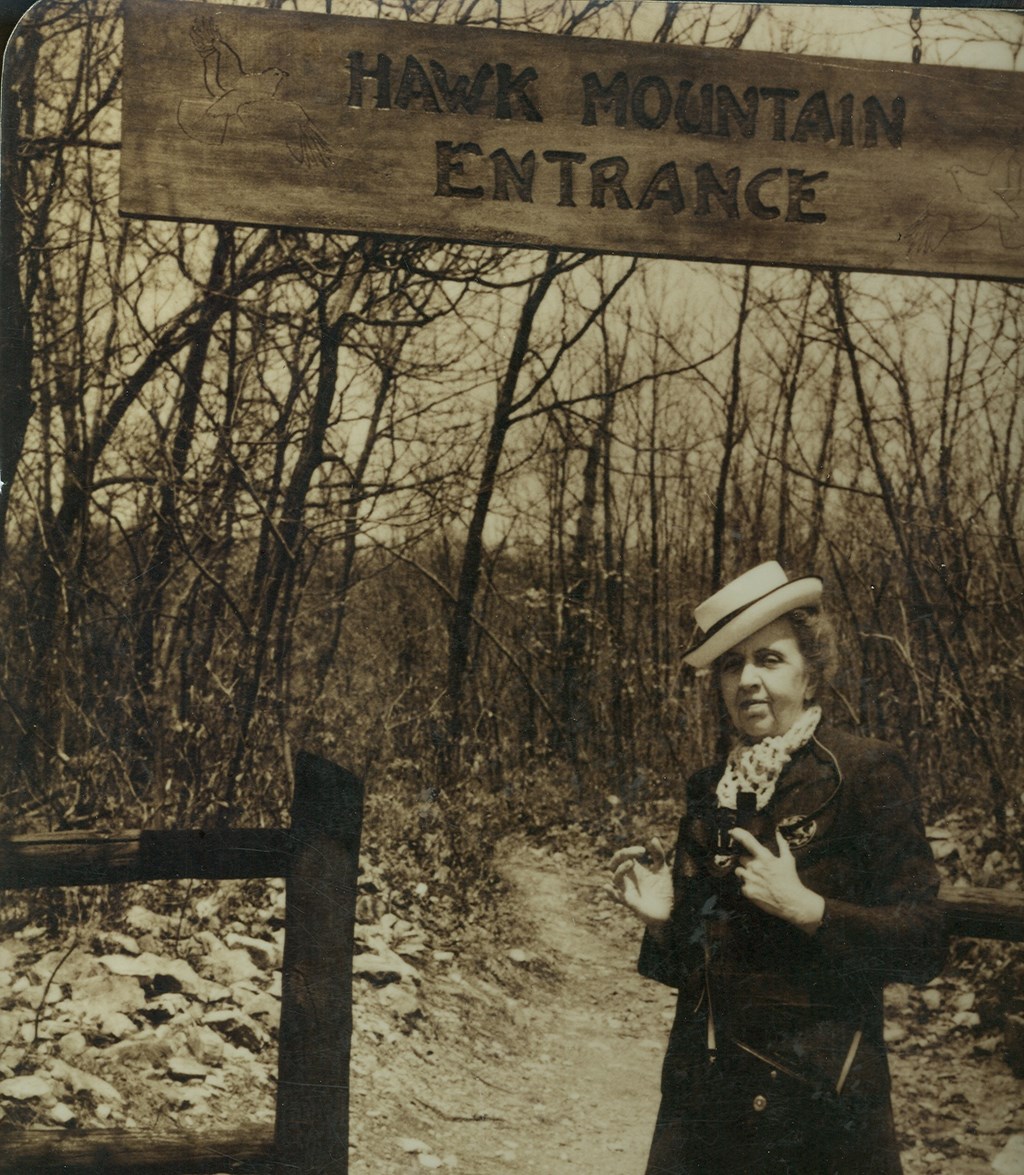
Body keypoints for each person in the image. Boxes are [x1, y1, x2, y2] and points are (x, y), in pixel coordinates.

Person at [609, 561, 947, 1175]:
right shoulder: (709, 787)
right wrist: (663, 923)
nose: (748, 681)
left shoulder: (866, 772)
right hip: (704, 1107)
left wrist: (811, 910)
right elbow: (698, 969)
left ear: (812, 674)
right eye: (732, 665)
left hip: (818, 1104)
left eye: (770, 659)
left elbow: (924, 944)